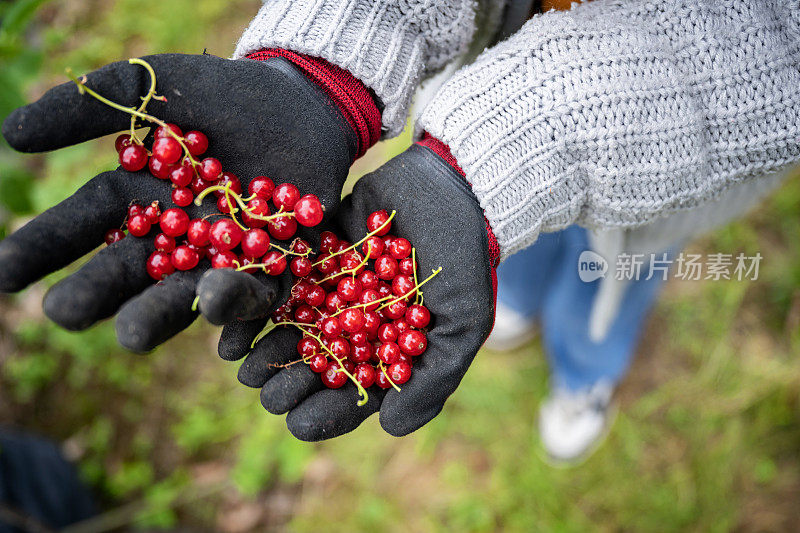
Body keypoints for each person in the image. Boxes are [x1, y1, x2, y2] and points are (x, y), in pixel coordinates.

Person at [1, 0, 798, 457]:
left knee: (613, 274)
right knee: (505, 247)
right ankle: (513, 298)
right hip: (489, 113)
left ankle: (585, 370)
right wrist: (339, 49)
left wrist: (549, 136)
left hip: (665, 161)